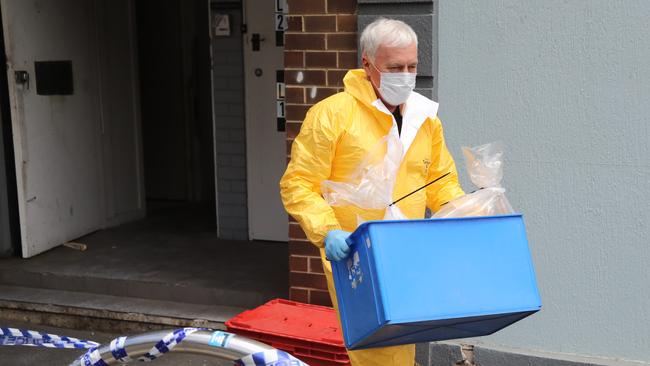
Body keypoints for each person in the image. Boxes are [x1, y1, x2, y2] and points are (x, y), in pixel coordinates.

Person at [279, 18, 464, 366]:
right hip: (354, 252)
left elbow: (441, 181)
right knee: (374, 347)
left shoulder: (424, 118)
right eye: (395, 67)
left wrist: (467, 212)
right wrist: (327, 230)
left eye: (411, 66)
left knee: (404, 339)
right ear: (367, 64)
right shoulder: (333, 116)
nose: (405, 75)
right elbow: (298, 183)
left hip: (407, 248)